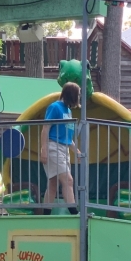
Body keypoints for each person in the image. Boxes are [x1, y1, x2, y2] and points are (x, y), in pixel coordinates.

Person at [39, 82, 81, 215]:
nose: (79, 97)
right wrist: (44, 149)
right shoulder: (55, 107)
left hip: (64, 149)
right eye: (78, 94)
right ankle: (74, 213)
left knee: (53, 183)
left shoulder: (68, 111)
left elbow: (67, 138)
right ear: (72, 95)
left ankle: (45, 214)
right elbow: (46, 128)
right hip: (53, 147)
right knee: (68, 180)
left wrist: (77, 151)